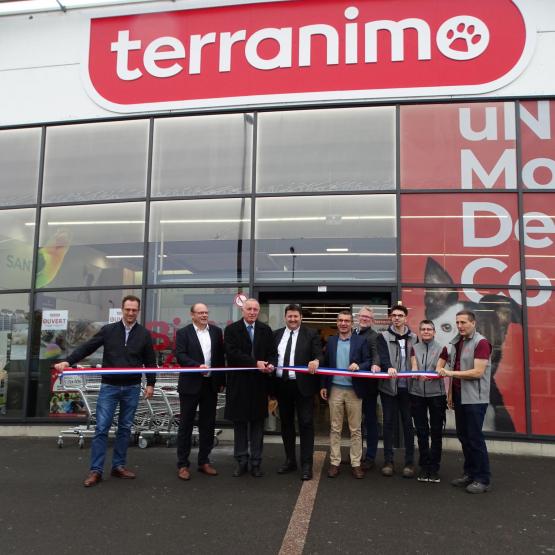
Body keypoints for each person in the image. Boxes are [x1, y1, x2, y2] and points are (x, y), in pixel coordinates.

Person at [54, 295, 156, 487]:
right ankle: (96, 470)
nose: (131, 313)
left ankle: (118, 466)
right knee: (102, 428)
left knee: (125, 429)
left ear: (138, 311)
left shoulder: (144, 334)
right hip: (110, 386)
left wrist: (151, 383)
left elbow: (150, 361)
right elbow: (87, 347)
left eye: (134, 310)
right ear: (122, 310)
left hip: (132, 388)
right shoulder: (109, 330)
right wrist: (68, 361)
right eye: (128, 309)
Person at [437, 310, 493, 494]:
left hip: (475, 399)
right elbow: (444, 361)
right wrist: (451, 394)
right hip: (459, 396)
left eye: (463, 322)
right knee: (464, 438)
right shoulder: (456, 342)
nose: (459, 326)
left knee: (475, 438)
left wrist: (450, 374)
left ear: (473, 323)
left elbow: (477, 372)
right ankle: (470, 473)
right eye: (458, 322)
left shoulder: (481, 342)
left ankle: (482, 479)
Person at [224, 298, 278, 478]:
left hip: (259, 385)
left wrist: (271, 364)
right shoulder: (232, 330)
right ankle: (241, 461)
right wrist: (255, 363)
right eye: (249, 309)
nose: (253, 312)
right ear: (243, 310)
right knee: (240, 424)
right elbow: (232, 354)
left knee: (257, 425)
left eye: (255, 309)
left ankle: (256, 462)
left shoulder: (265, 330)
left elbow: (272, 353)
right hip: (239, 384)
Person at [174, 303, 226, 481]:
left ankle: (204, 461)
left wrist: (221, 381)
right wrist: (196, 366)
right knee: (186, 425)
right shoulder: (183, 333)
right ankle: (183, 464)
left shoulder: (216, 332)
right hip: (190, 385)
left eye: (206, 312)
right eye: (200, 313)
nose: (204, 315)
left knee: (208, 424)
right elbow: (180, 355)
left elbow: (220, 358)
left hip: (210, 385)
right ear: (192, 315)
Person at [273, 304, 322, 481]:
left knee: (306, 424)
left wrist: (316, 360)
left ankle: (306, 464)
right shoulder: (277, 334)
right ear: (285, 317)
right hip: (282, 385)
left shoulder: (311, 334)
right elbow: (272, 357)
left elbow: (320, 354)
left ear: (301, 317)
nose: (292, 319)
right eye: (289, 316)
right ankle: (290, 460)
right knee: (286, 424)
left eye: (296, 316)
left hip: (303, 386)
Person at [320, 310, 371, 479]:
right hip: (335, 388)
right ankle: (335, 462)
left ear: (351, 323)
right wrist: (323, 385)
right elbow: (326, 365)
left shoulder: (360, 341)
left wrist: (359, 365)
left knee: (355, 429)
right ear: (337, 322)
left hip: (354, 390)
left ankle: (356, 463)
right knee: (335, 428)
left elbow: (368, 361)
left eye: (346, 321)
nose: (343, 323)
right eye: (340, 320)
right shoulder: (332, 341)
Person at [379, 304, 417, 478]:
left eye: (400, 315)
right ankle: (388, 461)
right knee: (388, 424)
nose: (396, 318)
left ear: (405, 318)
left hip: (408, 389)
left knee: (408, 425)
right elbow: (382, 357)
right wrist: (388, 367)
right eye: (393, 315)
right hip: (389, 388)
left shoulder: (414, 338)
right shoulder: (384, 337)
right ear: (390, 318)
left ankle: (409, 463)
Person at [409, 320, 447, 483]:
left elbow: (439, 368)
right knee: (422, 431)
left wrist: (430, 375)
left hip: (436, 395)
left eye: (429, 329)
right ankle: (424, 466)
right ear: (419, 331)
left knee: (436, 432)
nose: (426, 331)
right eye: (423, 329)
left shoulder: (442, 349)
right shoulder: (414, 348)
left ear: (434, 332)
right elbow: (414, 367)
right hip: (417, 393)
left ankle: (434, 467)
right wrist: (417, 374)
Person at [355, 306, 391, 471]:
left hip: (368, 387)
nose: (364, 319)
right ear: (358, 317)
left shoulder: (375, 336)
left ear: (372, 320)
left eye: (368, 317)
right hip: (352, 386)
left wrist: (376, 364)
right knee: (356, 424)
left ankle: (370, 457)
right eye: (362, 316)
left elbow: (377, 354)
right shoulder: (353, 334)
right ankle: (357, 455)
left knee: (370, 422)